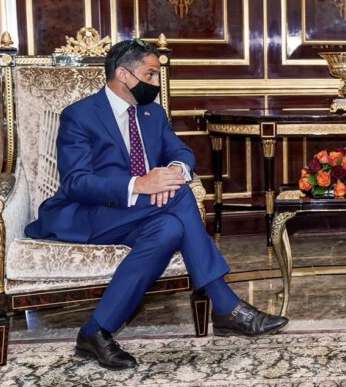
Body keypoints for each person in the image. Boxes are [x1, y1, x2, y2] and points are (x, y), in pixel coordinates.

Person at [25, 39, 288, 369]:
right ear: (123, 74)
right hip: (88, 213)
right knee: (180, 196)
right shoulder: (80, 115)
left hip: (143, 212)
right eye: (149, 75)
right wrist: (140, 184)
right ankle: (225, 306)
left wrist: (174, 171)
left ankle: (95, 331)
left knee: (169, 228)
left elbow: (181, 152)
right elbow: (76, 182)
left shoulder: (153, 113)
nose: (155, 83)